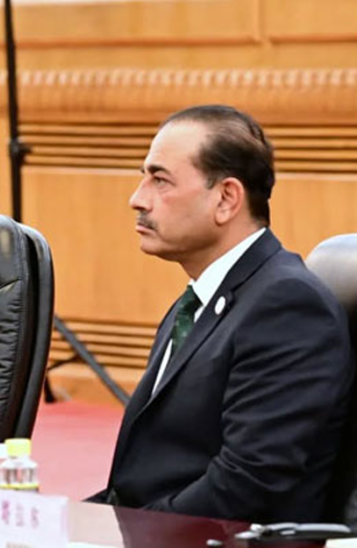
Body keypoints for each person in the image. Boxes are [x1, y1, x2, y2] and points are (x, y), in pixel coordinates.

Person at [92, 105, 353, 522]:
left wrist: (126, 533)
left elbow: (247, 484)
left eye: (160, 180)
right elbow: (144, 478)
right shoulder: (199, 299)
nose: (137, 199)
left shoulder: (287, 306)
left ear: (226, 198)